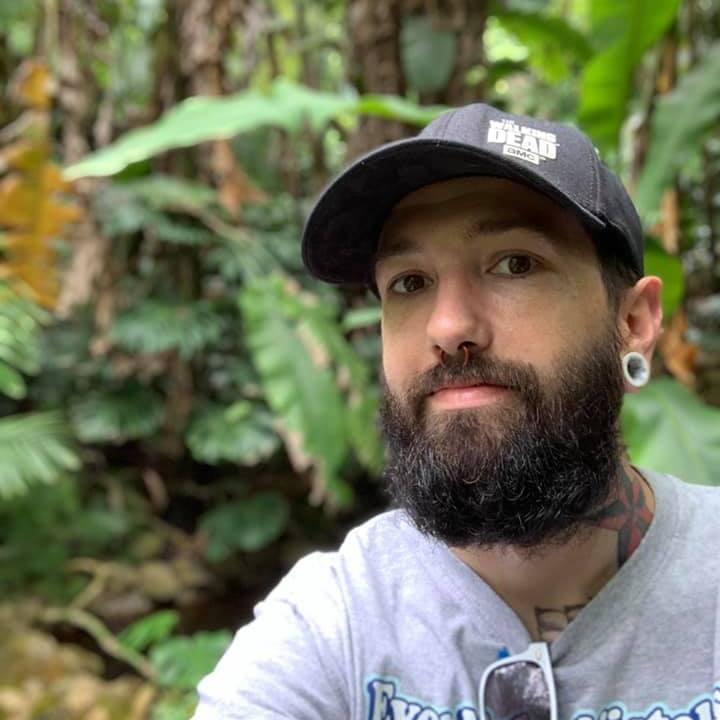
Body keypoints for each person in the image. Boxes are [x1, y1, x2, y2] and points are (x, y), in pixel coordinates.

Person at [192, 103, 720, 720]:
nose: (448, 328)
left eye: (515, 263)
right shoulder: (332, 627)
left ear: (633, 323)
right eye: (409, 282)